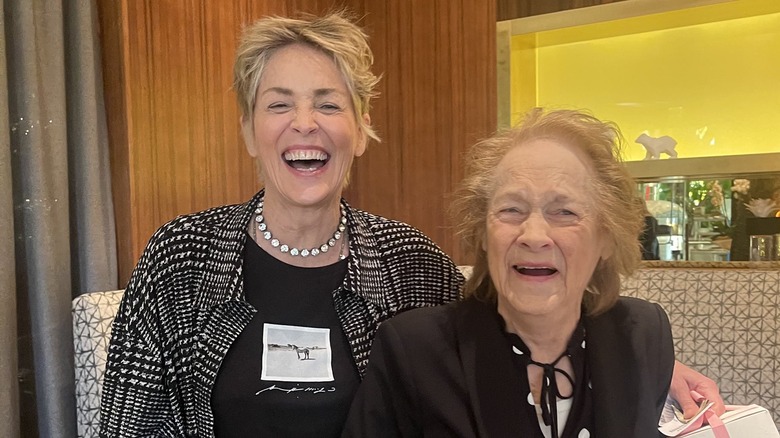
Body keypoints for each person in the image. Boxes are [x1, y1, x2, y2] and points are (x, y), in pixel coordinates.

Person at [100, 11, 721, 437]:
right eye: (278, 104)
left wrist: (649, 366)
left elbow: (504, 333)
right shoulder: (181, 256)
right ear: (248, 131)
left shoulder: (410, 262)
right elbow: (126, 423)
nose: (304, 123)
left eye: (328, 103)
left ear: (361, 129)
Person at [343, 108, 702, 437]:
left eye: (564, 212)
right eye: (511, 210)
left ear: (607, 237)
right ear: (482, 232)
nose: (533, 236)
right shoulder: (413, 350)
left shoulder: (643, 333)